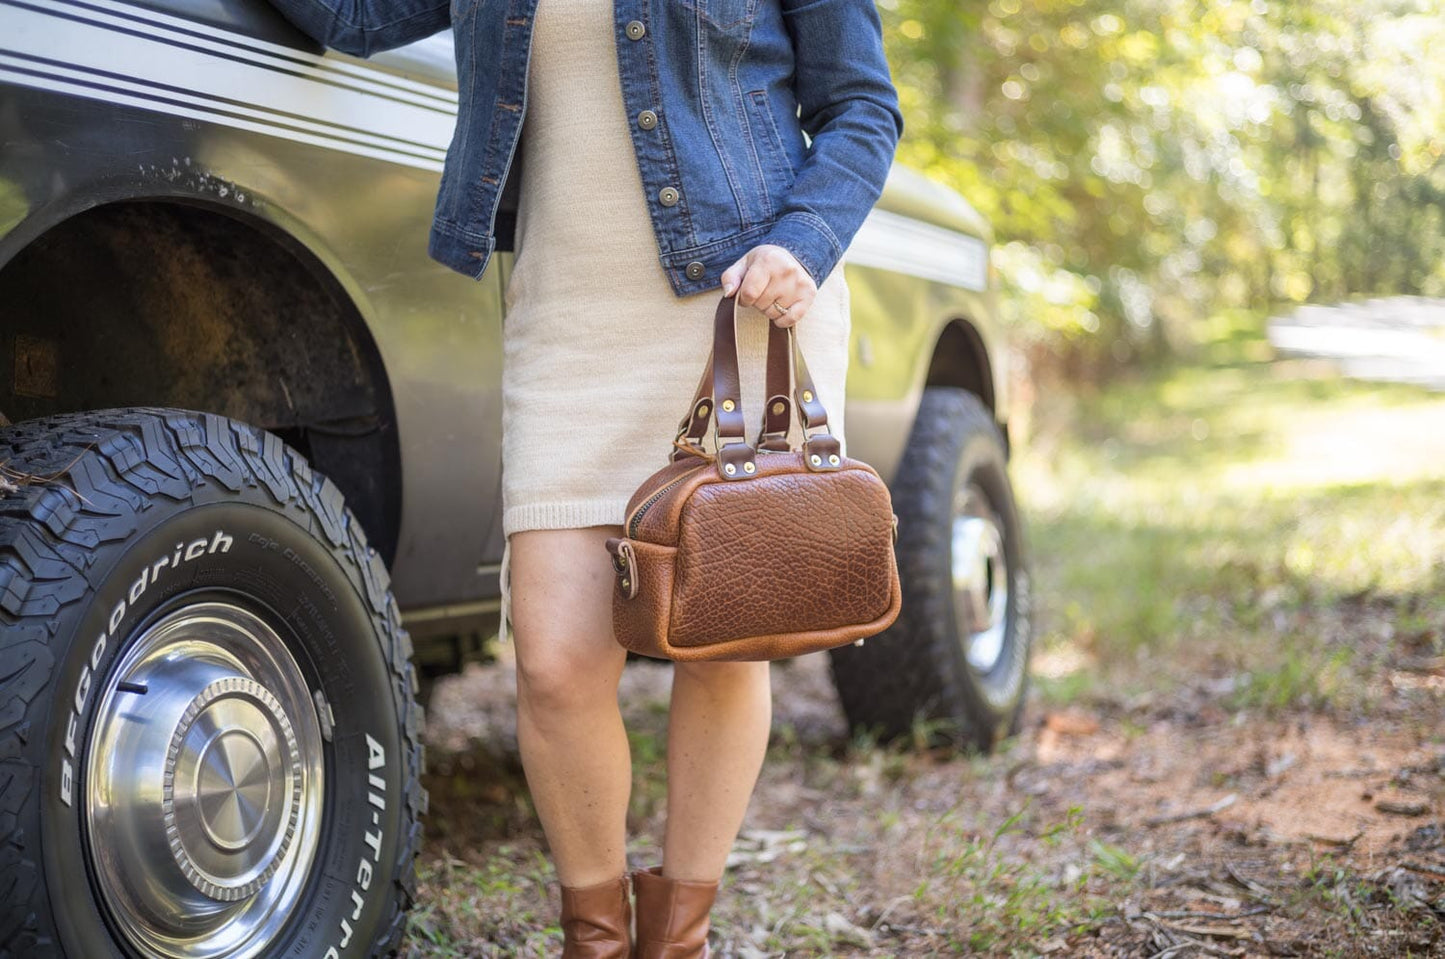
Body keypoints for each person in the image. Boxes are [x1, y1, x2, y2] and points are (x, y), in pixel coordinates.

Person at [265, 1, 902, 955]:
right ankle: (596, 934)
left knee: (724, 641)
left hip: (744, 303)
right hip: (565, 318)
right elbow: (355, 17)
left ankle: (677, 935)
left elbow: (862, 104)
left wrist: (805, 239)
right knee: (555, 663)